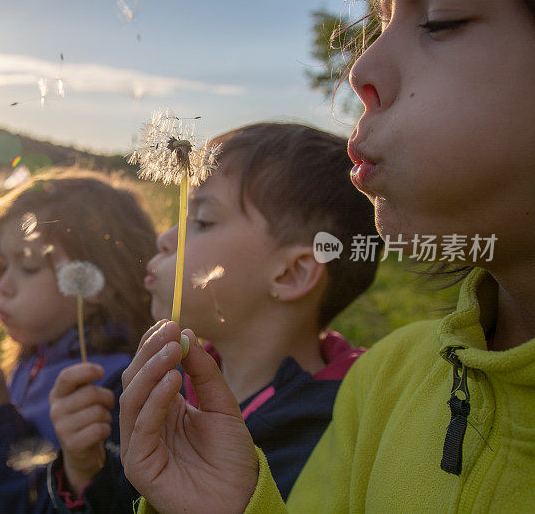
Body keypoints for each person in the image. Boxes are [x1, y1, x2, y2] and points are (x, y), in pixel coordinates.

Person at [119, 0, 535, 512]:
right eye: (379, 26)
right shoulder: (382, 381)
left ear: (295, 272)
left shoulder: (346, 398)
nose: (360, 69)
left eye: (440, 20)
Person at [48, 123, 378, 511]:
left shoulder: (340, 434)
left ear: (291, 274)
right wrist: (85, 472)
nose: (165, 238)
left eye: (202, 221)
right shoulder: (156, 384)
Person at [0, 169, 157, 513]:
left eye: (28, 267)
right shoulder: (29, 362)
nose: (2, 286)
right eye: (3, 266)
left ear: (98, 281)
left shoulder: (120, 389)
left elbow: (37, 505)